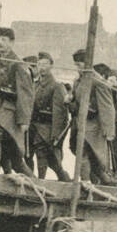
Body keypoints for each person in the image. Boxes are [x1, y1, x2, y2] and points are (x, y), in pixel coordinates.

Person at [0, 27, 34, 175]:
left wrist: (24, 121)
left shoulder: (18, 65)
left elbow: (26, 95)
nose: (0, 43)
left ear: (12, 42)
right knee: (15, 160)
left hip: (10, 110)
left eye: (4, 40)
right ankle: (35, 183)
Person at [67, 50, 117, 185]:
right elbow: (76, 102)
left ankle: (85, 182)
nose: (77, 69)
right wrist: (69, 100)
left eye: (80, 65)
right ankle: (105, 181)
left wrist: (109, 131)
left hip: (93, 126)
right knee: (87, 155)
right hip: (80, 124)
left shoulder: (98, 82)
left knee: (85, 154)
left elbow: (107, 107)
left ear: (87, 64)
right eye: (76, 65)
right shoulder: (77, 81)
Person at [29, 51, 71, 181]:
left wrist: (56, 135)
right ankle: (32, 180)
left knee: (43, 157)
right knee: (30, 155)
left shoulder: (56, 86)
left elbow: (60, 114)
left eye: (45, 64)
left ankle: (42, 182)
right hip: (33, 126)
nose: (42, 67)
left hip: (47, 128)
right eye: (39, 64)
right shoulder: (34, 84)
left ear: (51, 66)